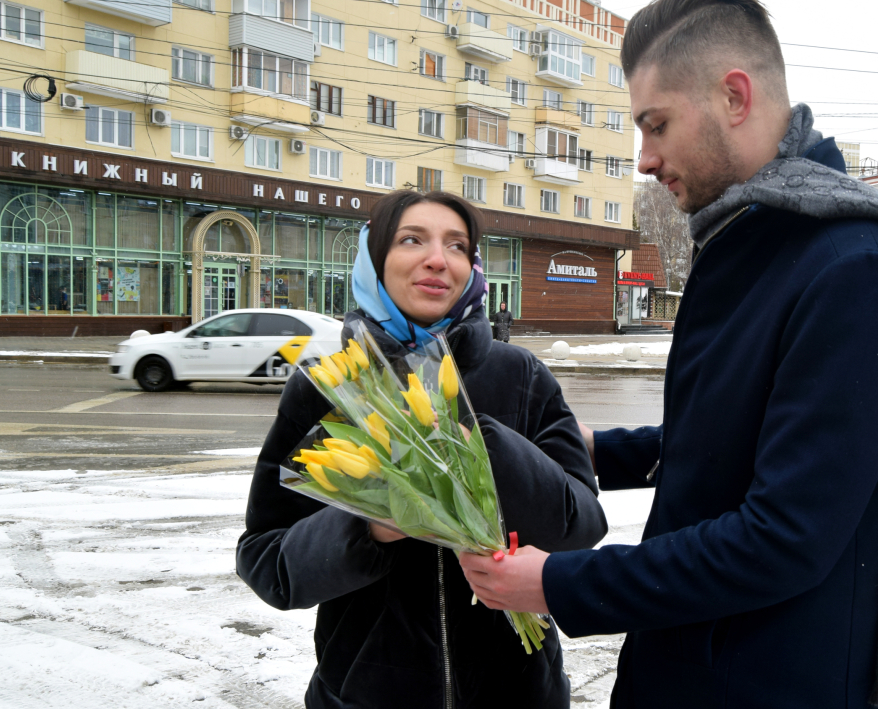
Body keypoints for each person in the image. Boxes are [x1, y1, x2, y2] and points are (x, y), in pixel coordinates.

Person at [458, 2, 878, 708]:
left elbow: (783, 535)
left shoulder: (857, 268)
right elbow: (735, 440)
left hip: (767, 680)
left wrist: (558, 583)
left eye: (656, 124)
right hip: (692, 663)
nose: (644, 158)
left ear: (734, 96)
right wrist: (591, 448)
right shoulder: (756, 241)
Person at [236, 190, 608, 709]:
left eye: (457, 245)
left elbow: (583, 525)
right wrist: (372, 525)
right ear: (375, 260)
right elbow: (268, 563)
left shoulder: (521, 376)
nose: (438, 258)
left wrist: (483, 445)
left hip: (519, 696)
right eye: (413, 239)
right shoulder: (327, 388)